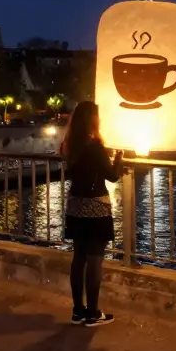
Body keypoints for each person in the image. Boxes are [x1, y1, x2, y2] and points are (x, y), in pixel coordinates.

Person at [61, 100, 123, 327]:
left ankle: (78, 310)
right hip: (96, 207)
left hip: (75, 205)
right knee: (95, 259)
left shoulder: (70, 144)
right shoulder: (95, 146)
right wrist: (118, 158)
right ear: (93, 119)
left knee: (79, 257)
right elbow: (112, 176)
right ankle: (93, 313)